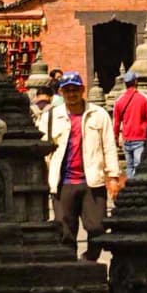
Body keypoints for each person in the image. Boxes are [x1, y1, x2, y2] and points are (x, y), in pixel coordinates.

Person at [46, 73, 120, 250]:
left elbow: (109, 146)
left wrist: (113, 177)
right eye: (67, 90)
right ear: (61, 92)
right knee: (65, 231)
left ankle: (91, 261)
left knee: (97, 227)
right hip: (63, 182)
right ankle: (70, 269)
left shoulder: (98, 115)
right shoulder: (51, 117)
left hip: (92, 181)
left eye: (75, 90)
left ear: (82, 90)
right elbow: (43, 149)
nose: (72, 94)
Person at [110, 67, 147, 174]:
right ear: (136, 82)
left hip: (127, 138)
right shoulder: (144, 99)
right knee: (139, 166)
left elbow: (116, 122)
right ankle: (137, 189)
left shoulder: (119, 100)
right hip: (140, 137)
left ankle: (130, 188)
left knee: (129, 167)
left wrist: (116, 138)